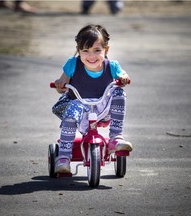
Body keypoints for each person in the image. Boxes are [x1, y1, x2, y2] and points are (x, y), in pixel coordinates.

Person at [52, 24, 133, 174]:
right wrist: (60, 84)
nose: (91, 56)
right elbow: (60, 87)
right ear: (79, 51)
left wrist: (123, 78)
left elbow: (124, 76)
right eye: (85, 51)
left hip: (102, 108)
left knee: (119, 92)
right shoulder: (73, 64)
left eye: (97, 50)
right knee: (72, 110)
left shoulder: (112, 66)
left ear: (106, 50)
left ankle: (115, 138)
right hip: (78, 108)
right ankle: (63, 157)